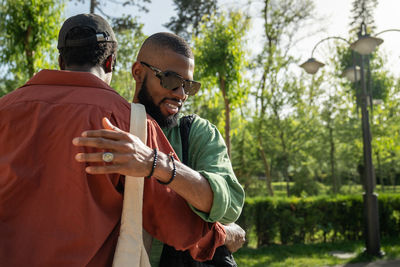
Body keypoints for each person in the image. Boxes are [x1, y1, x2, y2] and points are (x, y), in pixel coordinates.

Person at [0, 14, 226, 267]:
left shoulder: (4, 110)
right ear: (110, 62)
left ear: (61, 60)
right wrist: (223, 235)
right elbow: (177, 224)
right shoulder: (132, 123)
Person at [74, 32, 246, 266]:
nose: (181, 94)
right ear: (138, 73)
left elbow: (229, 206)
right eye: (171, 80)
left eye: (189, 85)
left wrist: (155, 163)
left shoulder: (197, 133)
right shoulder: (108, 125)